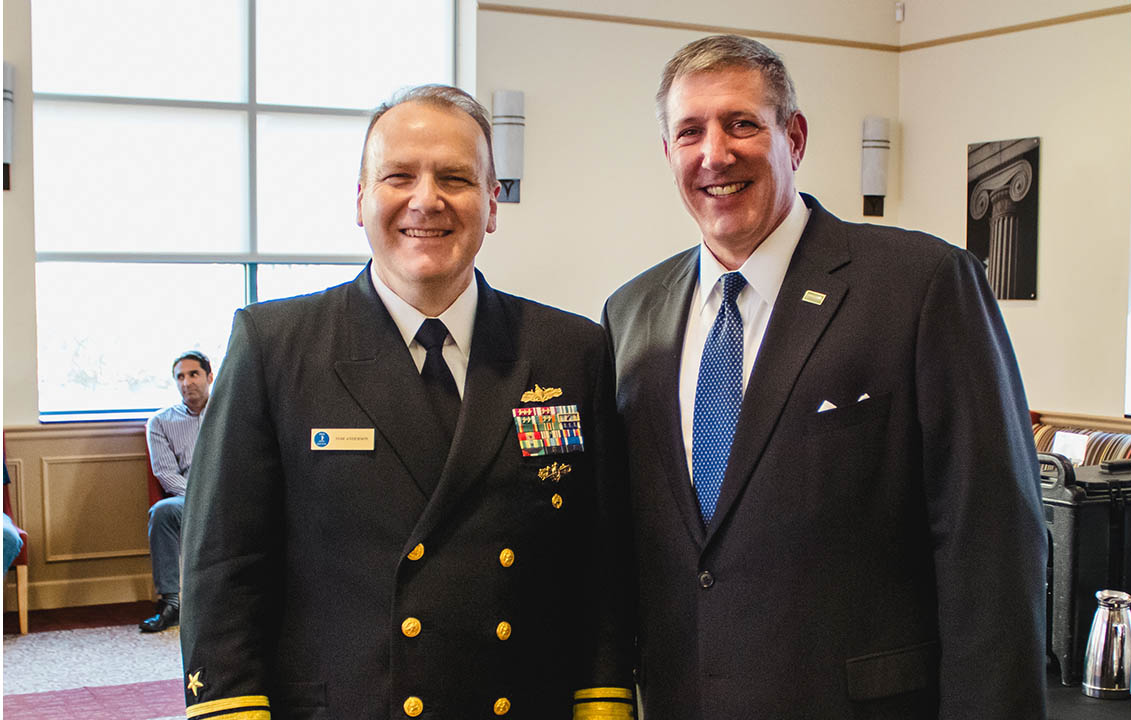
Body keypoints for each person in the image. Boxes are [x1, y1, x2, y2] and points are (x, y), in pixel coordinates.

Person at [603, 35, 1047, 719]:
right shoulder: (630, 315)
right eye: (690, 131)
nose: (714, 154)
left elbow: (991, 545)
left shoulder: (921, 286)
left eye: (742, 124)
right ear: (669, 154)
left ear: (795, 137)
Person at [180, 85, 633, 720]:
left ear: (492, 204)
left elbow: (601, 562)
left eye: (456, 177)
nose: (427, 199)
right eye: (399, 176)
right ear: (360, 199)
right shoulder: (275, 347)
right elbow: (225, 566)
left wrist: (604, 700)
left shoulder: (569, 350)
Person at [139, 349, 212, 633]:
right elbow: (166, 475)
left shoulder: (233, 413)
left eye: (193, 374)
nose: (187, 382)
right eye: (180, 377)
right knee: (162, 511)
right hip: (188, 499)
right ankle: (172, 603)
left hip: (232, 496)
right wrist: (202, 497)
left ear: (209, 376)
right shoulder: (160, 422)